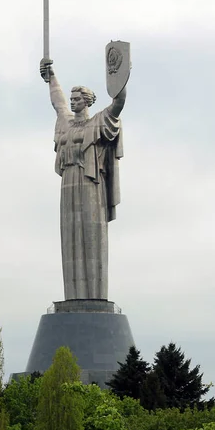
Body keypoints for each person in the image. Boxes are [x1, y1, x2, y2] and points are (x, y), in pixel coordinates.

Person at [40, 58, 127, 300]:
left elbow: (118, 103)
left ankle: (95, 297)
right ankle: (73, 297)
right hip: (68, 183)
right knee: (70, 237)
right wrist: (51, 77)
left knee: (91, 236)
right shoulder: (66, 124)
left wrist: (119, 77)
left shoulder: (98, 121)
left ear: (87, 101)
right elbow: (57, 103)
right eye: (72, 98)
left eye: (77, 98)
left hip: (90, 183)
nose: (73, 101)